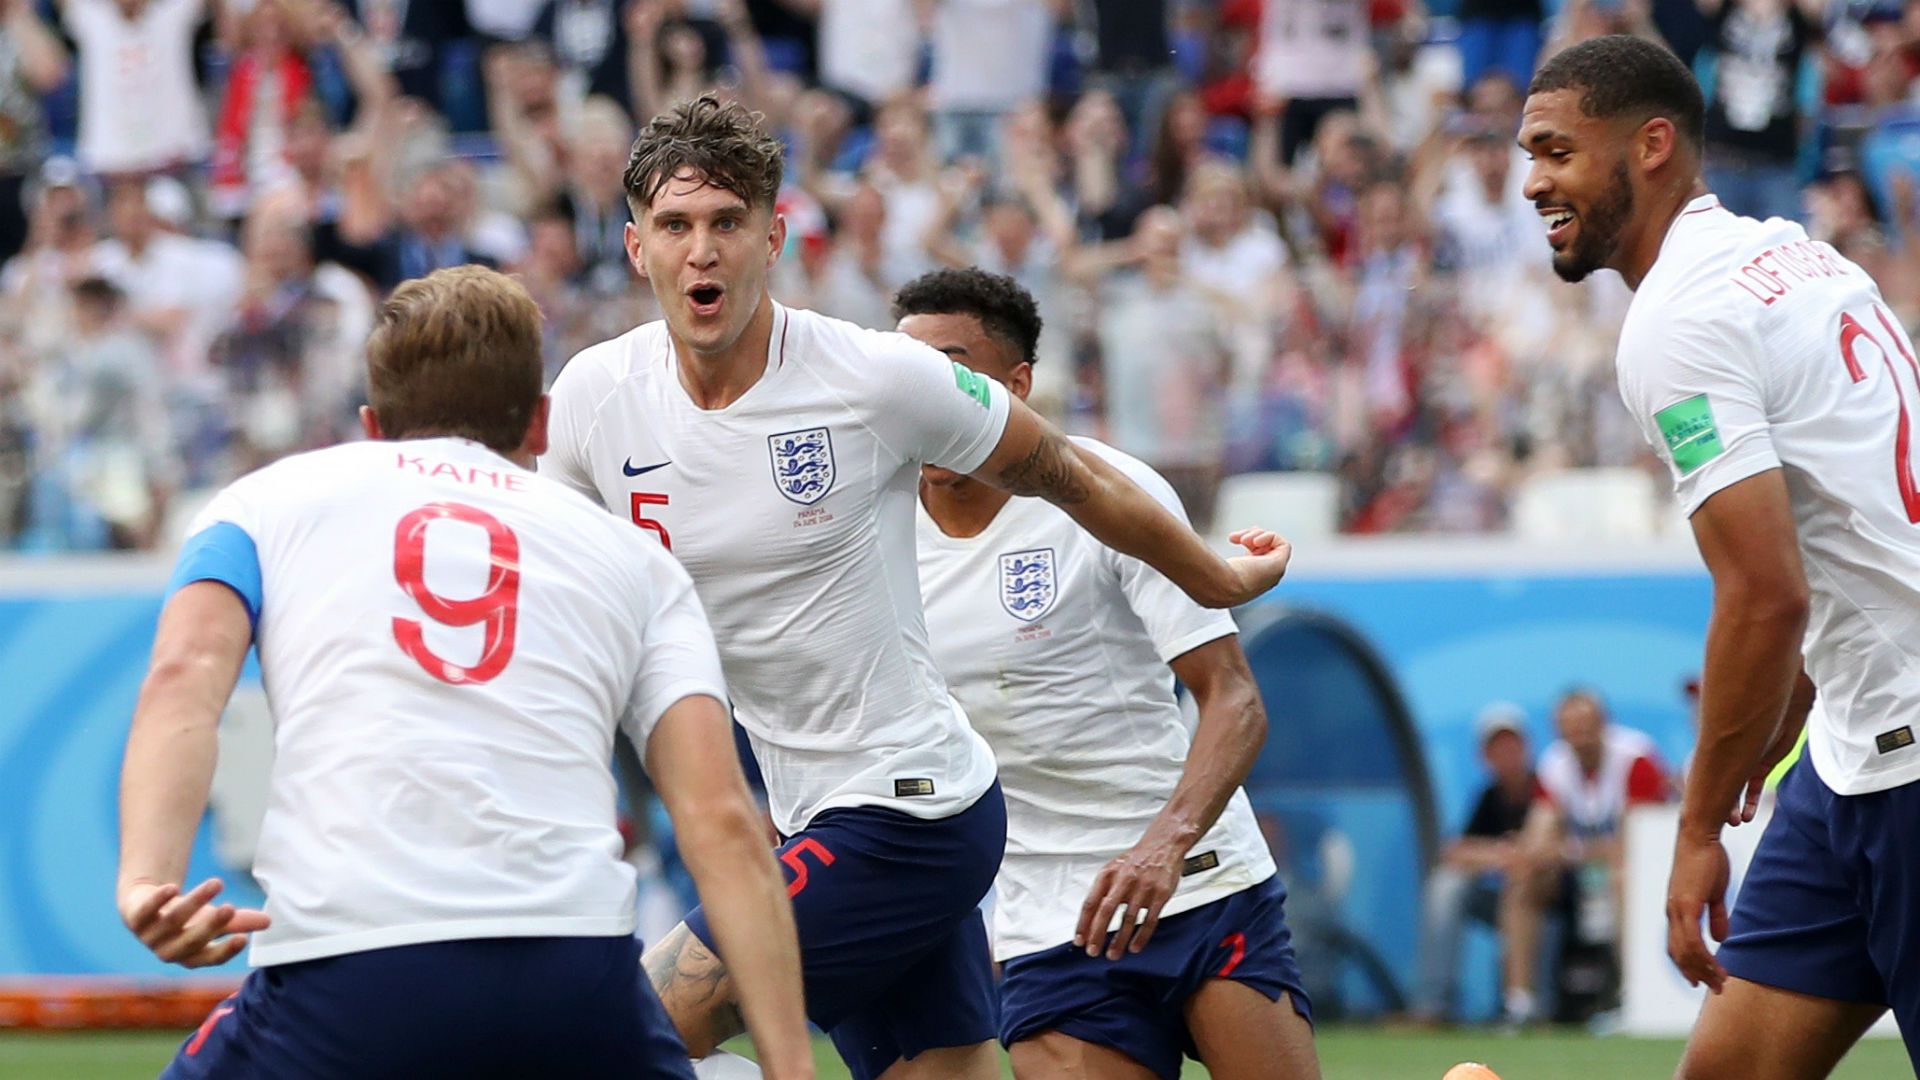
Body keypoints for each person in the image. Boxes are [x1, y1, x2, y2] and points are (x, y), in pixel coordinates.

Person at [540, 94, 1293, 1080]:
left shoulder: (872, 378)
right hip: (813, 813)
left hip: (913, 813)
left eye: (727, 223)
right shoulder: (596, 399)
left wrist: (1215, 570)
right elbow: (565, 601)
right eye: (676, 226)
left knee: (630, 1025)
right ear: (637, 246)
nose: (702, 251)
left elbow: (1072, 473)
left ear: (774, 236)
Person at [117, 266, 811, 1079]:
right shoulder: (638, 562)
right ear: (542, 425)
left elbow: (182, 677)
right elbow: (722, 821)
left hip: (350, 971)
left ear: (373, 426)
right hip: (575, 976)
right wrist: (793, 1066)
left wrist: (147, 881)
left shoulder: (260, 505)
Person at [1520, 34, 1920, 1075]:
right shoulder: (1800, 254)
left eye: (1558, 151)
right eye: (1531, 154)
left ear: (1652, 145)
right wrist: (1771, 733)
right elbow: (1845, 535)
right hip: (1850, 747)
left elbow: (1765, 595)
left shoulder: (1678, 320)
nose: (1534, 182)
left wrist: (1697, 827)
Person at [897, 267, 1318, 1080]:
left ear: (1016, 386)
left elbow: (1235, 699)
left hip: (1198, 881)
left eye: (954, 372)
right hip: (1052, 920)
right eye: (911, 377)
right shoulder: (872, 528)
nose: (929, 402)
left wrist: (1162, 846)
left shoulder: (1105, 493)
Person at [1511, 688, 1670, 1024]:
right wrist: (1544, 852)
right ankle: (1520, 1001)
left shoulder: (1635, 759)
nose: (1580, 736)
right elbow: (1539, 836)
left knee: (1622, 877)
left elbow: (1636, 842)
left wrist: (1569, 851)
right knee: (1525, 880)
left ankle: (1630, 996)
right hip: (1578, 873)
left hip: (1634, 870)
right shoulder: (1555, 764)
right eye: (1571, 727)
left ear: (1604, 724)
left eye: (1587, 725)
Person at [1413, 703, 1543, 1026]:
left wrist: (1513, 858)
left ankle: (1522, 1002)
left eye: (1511, 745)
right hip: (1505, 895)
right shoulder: (1489, 796)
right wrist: (1501, 853)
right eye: (1496, 747)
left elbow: (1536, 855)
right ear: (1484, 755)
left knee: (1522, 885)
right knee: (1447, 884)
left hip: (1546, 897)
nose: (1506, 754)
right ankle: (1436, 1002)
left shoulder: (1543, 788)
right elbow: (1455, 850)